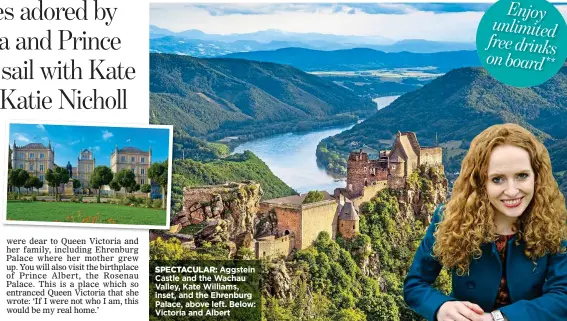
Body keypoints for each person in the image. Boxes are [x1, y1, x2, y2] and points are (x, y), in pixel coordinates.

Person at [403, 124, 567, 321]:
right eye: (498, 179)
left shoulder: (556, 222)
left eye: (522, 175)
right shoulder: (448, 219)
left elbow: (562, 295)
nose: (512, 191)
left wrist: (499, 318)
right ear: (481, 182)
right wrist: (441, 307)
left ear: (537, 177)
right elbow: (415, 284)